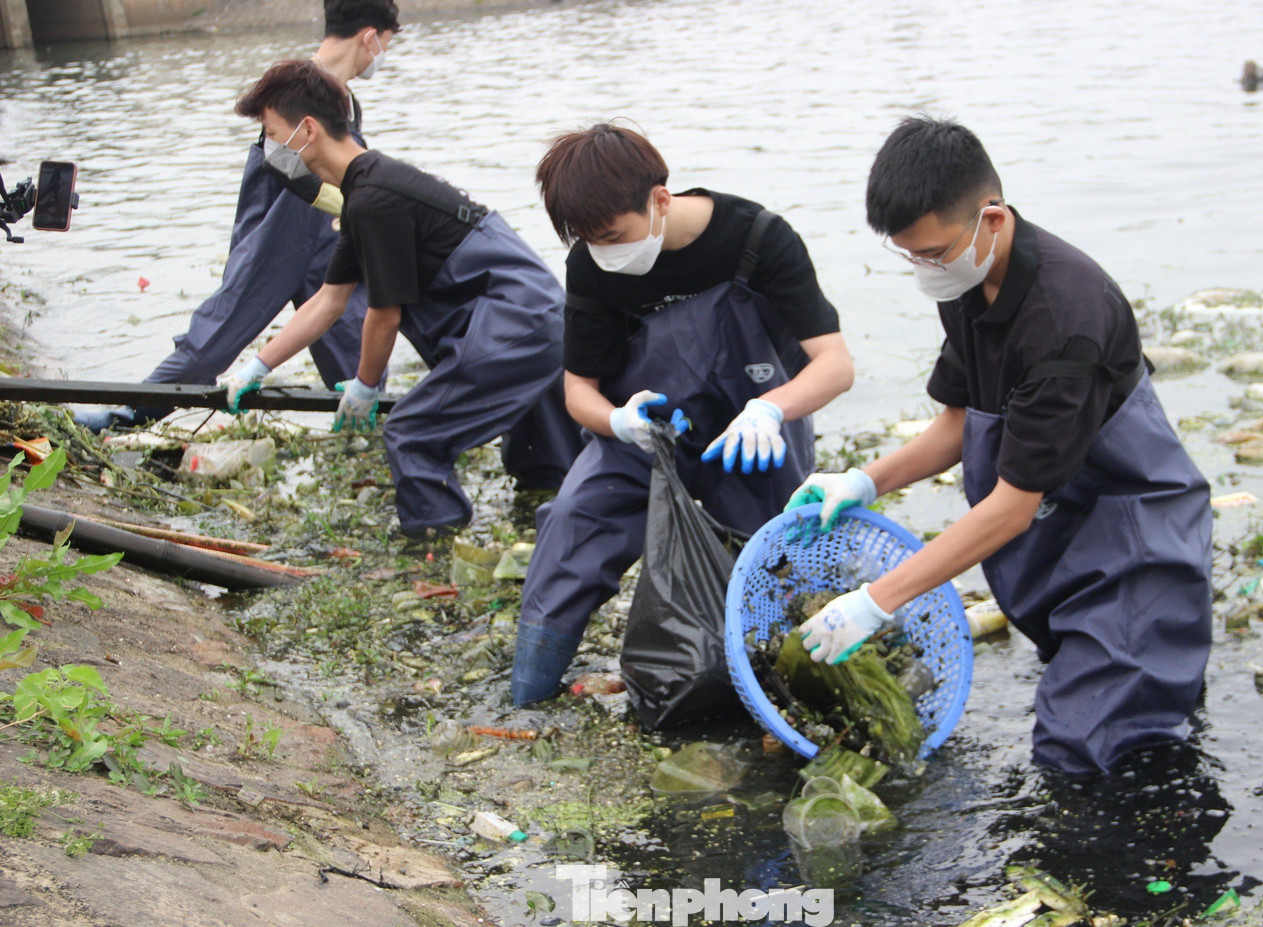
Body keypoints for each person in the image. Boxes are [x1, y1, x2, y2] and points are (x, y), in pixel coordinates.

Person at [792, 116, 1212, 776]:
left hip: (1134, 542)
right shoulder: (965, 279)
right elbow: (964, 420)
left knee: (1078, 755)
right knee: (1125, 711)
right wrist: (865, 480)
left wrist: (879, 598)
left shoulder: (1065, 316)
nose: (924, 269)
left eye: (932, 252)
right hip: (1058, 534)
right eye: (910, 256)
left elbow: (1013, 506)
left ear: (990, 218)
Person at [510, 123, 855, 706]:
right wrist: (617, 421)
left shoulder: (759, 238)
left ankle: (780, 693)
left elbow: (835, 364)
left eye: (615, 235)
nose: (605, 251)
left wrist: (769, 411)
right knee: (573, 521)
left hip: (752, 432)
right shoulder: (594, 264)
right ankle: (527, 691)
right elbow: (578, 390)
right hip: (650, 431)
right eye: (590, 241)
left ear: (660, 200)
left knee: (779, 559)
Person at [221, 60, 581, 536]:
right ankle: (544, 533)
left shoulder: (374, 199)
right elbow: (329, 302)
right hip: (533, 320)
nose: (268, 147)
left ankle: (433, 547)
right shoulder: (365, 193)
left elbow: (384, 315)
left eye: (270, 131)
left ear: (306, 129)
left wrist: (366, 386)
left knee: (412, 435)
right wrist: (257, 367)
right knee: (541, 463)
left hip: (517, 321)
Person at [72, 0, 400, 433]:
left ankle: (373, 441)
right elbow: (281, 163)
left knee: (355, 344)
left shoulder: (344, 99)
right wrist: (352, 206)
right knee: (219, 331)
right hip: (279, 230)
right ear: (370, 36)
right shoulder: (297, 87)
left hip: (329, 236)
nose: (382, 56)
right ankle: (126, 415)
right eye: (387, 44)